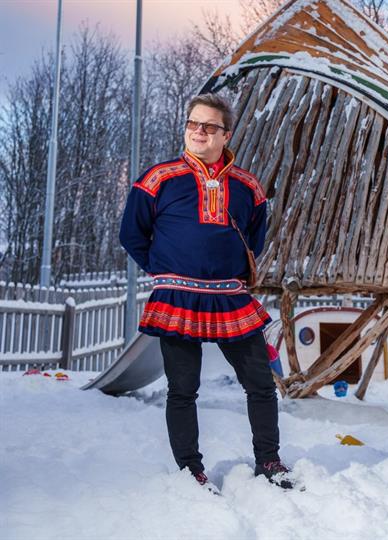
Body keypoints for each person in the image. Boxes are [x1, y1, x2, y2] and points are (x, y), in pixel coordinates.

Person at [119, 94, 291, 489]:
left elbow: (255, 239)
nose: (198, 131)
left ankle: (269, 460)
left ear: (226, 134)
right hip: (177, 297)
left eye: (209, 126)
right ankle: (190, 469)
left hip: (231, 297)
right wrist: (164, 269)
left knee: (261, 384)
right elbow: (132, 234)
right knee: (183, 388)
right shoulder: (157, 179)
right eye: (193, 123)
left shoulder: (248, 186)